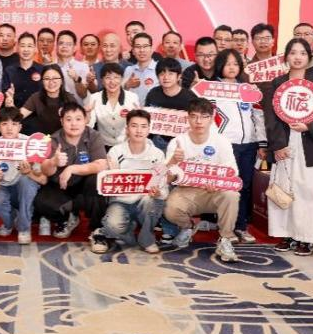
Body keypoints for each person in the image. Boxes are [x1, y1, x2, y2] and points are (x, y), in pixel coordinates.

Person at [263, 38, 313, 256]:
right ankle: (285, 234)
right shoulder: (277, 83)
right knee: (283, 188)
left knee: (309, 191)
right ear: (286, 57)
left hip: (312, 143)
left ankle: (306, 237)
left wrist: (309, 126)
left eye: (302, 53)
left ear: (309, 57)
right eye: (293, 53)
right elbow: (270, 117)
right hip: (285, 143)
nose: (297, 57)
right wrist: (278, 145)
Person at [162, 97, 240, 262]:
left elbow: (232, 173)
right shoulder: (178, 142)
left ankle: (225, 239)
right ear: (188, 118)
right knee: (170, 208)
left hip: (214, 190)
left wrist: (217, 182)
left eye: (204, 117)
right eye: (194, 116)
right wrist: (174, 161)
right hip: (186, 190)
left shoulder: (221, 141)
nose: (199, 121)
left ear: (211, 119)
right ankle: (187, 227)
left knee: (231, 195)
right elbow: (167, 179)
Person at [210, 49, 266, 244]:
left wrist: (261, 142)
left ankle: (241, 226)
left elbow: (258, 116)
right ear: (220, 66)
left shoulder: (247, 89)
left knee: (245, 186)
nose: (232, 67)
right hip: (226, 145)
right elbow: (207, 118)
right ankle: (226, 227)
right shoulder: (212, 89)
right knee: (226, 187)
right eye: (228, 64)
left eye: (235, 63)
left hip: (249, 144)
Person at [35, 101, 110, 246]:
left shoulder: (93, 136)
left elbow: (101, 165)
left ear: (85, 120)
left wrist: (71, 168)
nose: (74, 124)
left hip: (85, 185)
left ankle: (97, 230)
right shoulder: (53, 139)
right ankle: (67, 218)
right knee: (41, 202)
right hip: (61, 186)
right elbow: (45, 170)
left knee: (98, 181)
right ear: (62, 121)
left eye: (78, 119)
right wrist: (53, 162)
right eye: (68, 119)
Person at [101, 109, 167, 254]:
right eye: (134, 126)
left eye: (143, 126)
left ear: (149, 129)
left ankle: (147, 239)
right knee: (111, 227)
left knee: (154, 202)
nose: (139, 130)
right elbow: (109, 187)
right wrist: (114, 173)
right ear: (127, 129)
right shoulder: (115, 151)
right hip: (121, 201)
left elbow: (162, 185)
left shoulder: (157, 154)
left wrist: (158, 192)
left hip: (145, 200)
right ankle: (129, 232)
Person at [0, 107, 45, 244]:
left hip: (23, 187)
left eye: (14, 124)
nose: (9, 128)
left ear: (20, 127)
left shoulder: (31, 144)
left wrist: (29, 172)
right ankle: (9, 221)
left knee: (26, 181)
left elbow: (43, 180)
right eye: (5, 124)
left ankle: (24, 228)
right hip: (3, 186)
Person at [85, 62, 140, 147]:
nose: (112, 82)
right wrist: (87, 114)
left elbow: (137, 124)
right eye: (108, 78)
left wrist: (140, 115)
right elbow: (89, 126)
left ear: (122, 79)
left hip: (126, 144)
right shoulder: (94, 98)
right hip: (103, 145)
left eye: (116, 77)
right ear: (102, 81)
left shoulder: (132, 97)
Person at [145, 57, 193, 150]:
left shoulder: (189, 97)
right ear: (157, 76)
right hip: (157, 142)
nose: (166, 77)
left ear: (179, 76)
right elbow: (147, 118)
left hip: (183, 142)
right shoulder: (153, 93)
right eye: (162, 74)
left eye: (171, 74)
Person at [14, 64, 74, 135]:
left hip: (63, 138)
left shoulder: (69, 99)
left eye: (55, 78)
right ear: (42, 81)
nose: (51, 82)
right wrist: (11, 106)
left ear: (61, 81)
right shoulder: (36, 97)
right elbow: (18, 116)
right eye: (47, 79)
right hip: (42, 138)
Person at [2, 32, 44, 126]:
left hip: (38, 121)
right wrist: (8, 98)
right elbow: (4, 93)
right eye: (22, 46)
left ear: (35, 49)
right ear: (17, 48)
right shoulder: (9, 70)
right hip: (13, 121)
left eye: (29, 46)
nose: (26, 49)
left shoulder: (42, 70)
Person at [121, 32, 158, 103]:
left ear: (151, 49)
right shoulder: (129, 70)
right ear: (133, 51)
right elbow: (120, 95)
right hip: (132, 109)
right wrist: (127, 85)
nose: (141, 50)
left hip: (153, 109)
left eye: (145, 46)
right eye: (138, 47)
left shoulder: (159, 69)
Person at [56, 30, 91, 99]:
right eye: (61, 43)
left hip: (76, 105)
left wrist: (76, 79)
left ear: (74, 48)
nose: (64, 46)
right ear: (57, 47)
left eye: (68, 44)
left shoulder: (83, 67)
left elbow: (84, 95)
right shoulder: (51, 67)